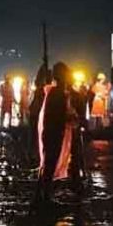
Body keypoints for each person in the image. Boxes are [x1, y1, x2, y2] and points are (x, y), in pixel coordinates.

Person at [37, 62, 77, 200]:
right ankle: (45, 195)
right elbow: (57, 114)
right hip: (53, 133)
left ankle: (44, 193)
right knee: (50, 163)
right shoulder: (56, 93)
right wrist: (70, 117)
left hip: (54, 132)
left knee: (50, 163)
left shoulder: (57, 92)